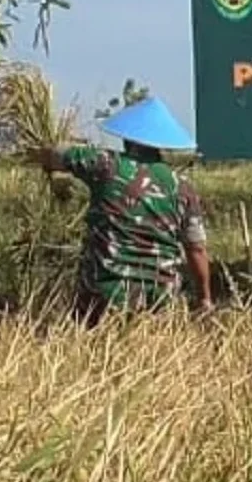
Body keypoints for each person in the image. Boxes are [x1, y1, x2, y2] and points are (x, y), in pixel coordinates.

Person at [30, 97, 213, 327]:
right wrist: (204, 299)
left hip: (105, 294)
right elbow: (196, 248)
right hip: (159, 299)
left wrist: (45, 156)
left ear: (128, 139)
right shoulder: (182, 188)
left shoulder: (106, 165)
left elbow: (56, 154)